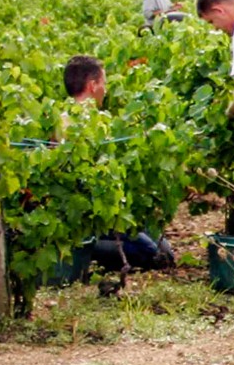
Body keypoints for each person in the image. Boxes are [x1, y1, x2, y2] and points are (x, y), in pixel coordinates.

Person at [62, 55, 173, 271]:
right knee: (156, 256)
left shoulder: (85, 119)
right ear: (93, 85)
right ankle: (84, 250)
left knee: (163, 251)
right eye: (104, 83)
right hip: (92, 217)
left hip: (111, 212)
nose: (106, 89)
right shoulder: (75, 124)